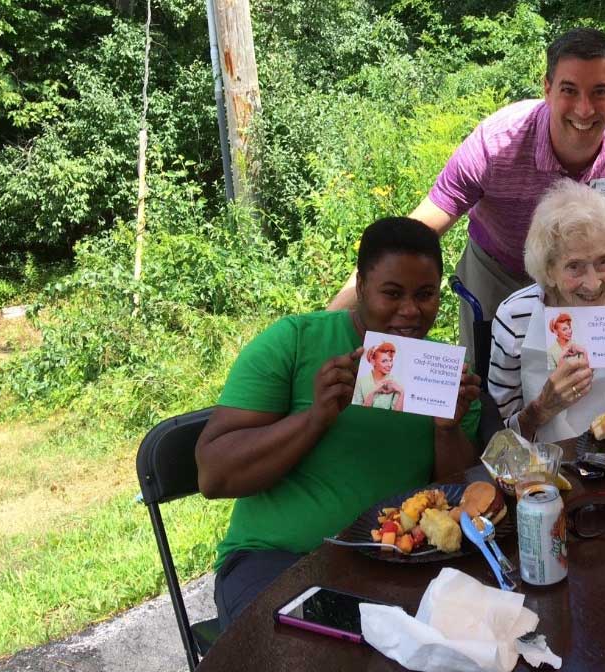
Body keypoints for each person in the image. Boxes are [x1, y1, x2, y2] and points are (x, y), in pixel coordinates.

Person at [326, 27, 605, 354]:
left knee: (587, 386)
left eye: (599, 92)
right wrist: (328, 323)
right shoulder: (497, 144)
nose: (583, 108)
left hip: (585, 278)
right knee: (491, 388)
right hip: (499, 270)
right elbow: (417, 233)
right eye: (569, 90)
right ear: (546, 87)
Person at [197, 217, 481, 629]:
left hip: (395, 559)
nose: (410, 310)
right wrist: (314, 419)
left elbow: (450, 497)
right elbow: (213, 474)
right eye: (392, 293)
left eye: (425, 295)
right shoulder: (294, 342)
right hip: (277, 558)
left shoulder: (443, 374)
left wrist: (447, 428)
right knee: (312, 652)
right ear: (361, 288)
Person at [489, 179, 605, 441]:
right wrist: (541, 408)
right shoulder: (515, 316)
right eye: (574, 266)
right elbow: (498, 435)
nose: (593, 282)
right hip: (548, 470)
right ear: (548, 269)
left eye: (603, 262)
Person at [352, 341, 404, 411]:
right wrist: (373, 392)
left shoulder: (396, 383)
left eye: (391, 360)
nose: (389, 365)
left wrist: (401, 392)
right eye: (384, 361)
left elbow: (397, 416)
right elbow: (358, 412)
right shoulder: (361, 382)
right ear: (373, 361)